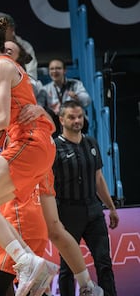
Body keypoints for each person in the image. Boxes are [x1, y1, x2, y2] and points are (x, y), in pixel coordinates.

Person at [0, 18, 103, 296]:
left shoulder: (1, 67)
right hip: (34, 147)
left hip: (28, 144)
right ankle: (70, 280)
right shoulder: (0, 72)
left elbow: (2, 119)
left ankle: (20, 263)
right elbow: (27, 114)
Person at [53, 100, 118, 296]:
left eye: (80, 116)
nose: (77, 121)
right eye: (72, 117)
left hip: (94, 210)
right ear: (61, 119)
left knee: (104, 263)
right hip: (68, 212)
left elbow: (99, 178)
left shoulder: (92, 143)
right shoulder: (54, 147)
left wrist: (111, 207)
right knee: (67, 267)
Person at [42, 58, 92, 137]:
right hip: (56, 123)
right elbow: (39, 106)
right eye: (52, 69)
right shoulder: (45, 89)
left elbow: (87, 101)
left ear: (64, 70)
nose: (54, 71)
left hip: (72, 120)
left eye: (58, 68)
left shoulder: (75, 84)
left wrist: (77, 97)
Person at [3, 14, 39, 80]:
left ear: (12, 28)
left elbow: (31, 70)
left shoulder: (25, 46)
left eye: (4, 28)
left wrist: (29, 83)